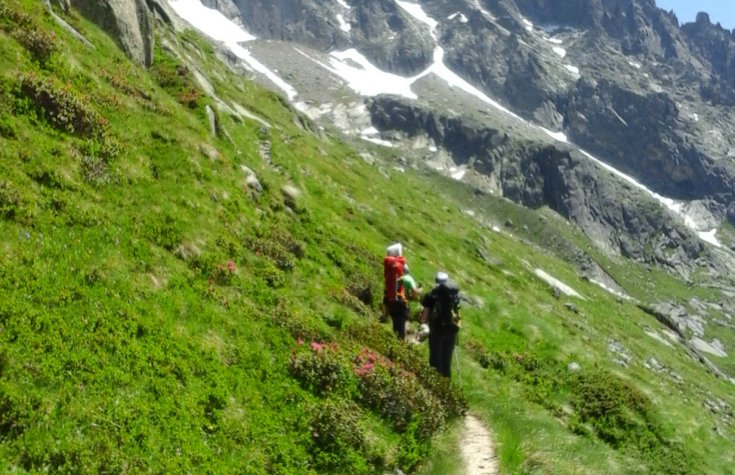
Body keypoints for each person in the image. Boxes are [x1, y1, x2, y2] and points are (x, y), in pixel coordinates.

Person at [420, 272, 461, 377]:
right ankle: (447, 388)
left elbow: (425, 316)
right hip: (451, 332)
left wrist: (423, 326)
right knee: (446, 363)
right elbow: (458, 316)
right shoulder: (454, 295)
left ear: (436, 280)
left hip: (437, 331)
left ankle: (434, 388)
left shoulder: (431, 295)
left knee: (435, 361)